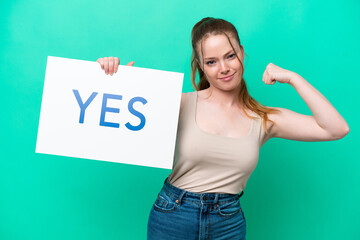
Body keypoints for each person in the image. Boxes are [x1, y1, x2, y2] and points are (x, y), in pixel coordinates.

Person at [96, 17, 349, 240]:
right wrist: (114, 79)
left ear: (241, 52)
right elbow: (109, 122)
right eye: (212, 61)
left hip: (227, 222)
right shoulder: (180, 103)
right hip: (173, 216)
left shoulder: (263, 118)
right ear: (201, 65)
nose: (224, 68)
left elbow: (336, 129)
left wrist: (293, 78)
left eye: (230, 56)